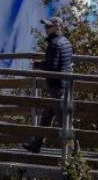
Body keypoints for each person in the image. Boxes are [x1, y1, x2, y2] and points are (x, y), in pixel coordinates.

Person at [24, 16, 73, 153]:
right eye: (45, 26)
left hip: (57, 87)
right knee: (47, 116)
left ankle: (75, 154)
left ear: (57, 27)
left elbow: (52, 67)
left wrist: (38, 65)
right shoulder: (66, 42)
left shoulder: (54, 45)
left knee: (64, 122)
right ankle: (36, 144)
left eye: (48, 26)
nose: (46, 29)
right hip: (65, 85)